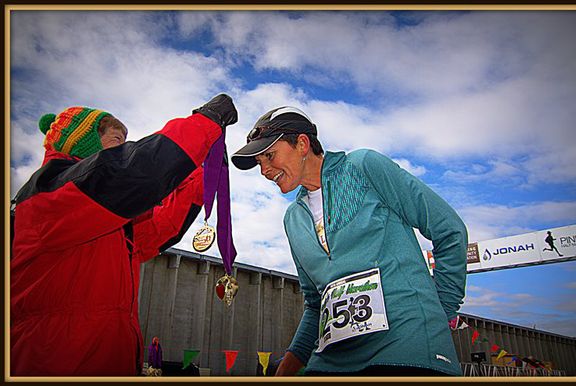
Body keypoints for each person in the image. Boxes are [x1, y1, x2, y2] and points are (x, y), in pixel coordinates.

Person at [11, 95, 238, 376]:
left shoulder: (108, 220)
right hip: (55, 361)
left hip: (108, 359)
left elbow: (161, 228)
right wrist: (204, 124)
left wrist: (203, 171)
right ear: (85, 143)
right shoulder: (49, 195)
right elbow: (134, 171)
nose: (124, 148)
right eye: (117, 139)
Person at [231, 106, 468, 376]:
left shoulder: (363, 166)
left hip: (405, 351)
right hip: (333, 362)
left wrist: (440, 311)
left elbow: (449, 230)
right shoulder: (293, 219)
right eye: (260, 163)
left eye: (269, 156)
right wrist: (285, 371)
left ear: (302, 143)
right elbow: (315, 304)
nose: (264, 170)